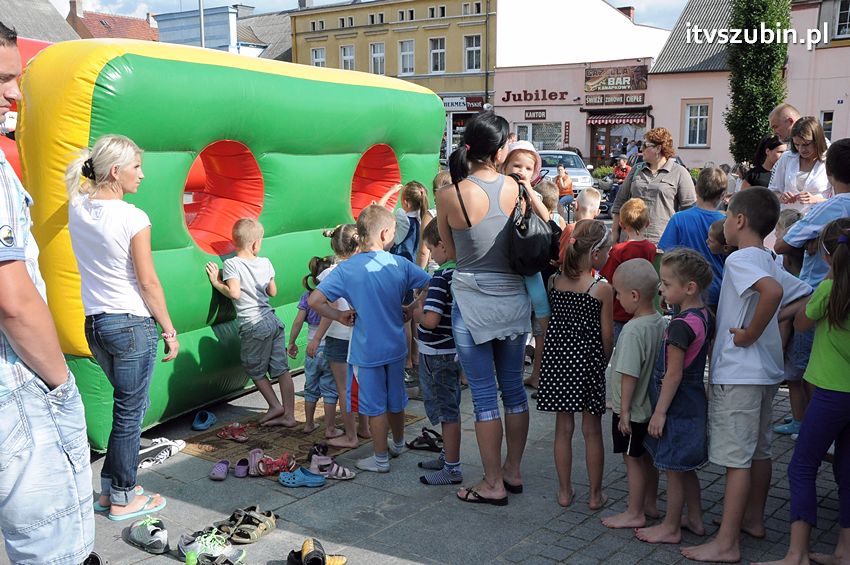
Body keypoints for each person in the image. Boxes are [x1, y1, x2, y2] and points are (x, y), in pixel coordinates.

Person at [0, 21, 95, 562]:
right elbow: (13, 298)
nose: (14, 93)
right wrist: (60, 381)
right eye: (2, 79)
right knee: (50, 538)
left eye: (17, 79)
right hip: (17, 384)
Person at [682, 187, 811, 563]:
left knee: (736, 459)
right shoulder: (768, 257)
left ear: (738, 221)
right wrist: (768, 326)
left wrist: (752, 331)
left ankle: (726, 543)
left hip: (739, 374)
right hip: (766, 372)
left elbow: (771, 293)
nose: (723, 222)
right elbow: (802, 297)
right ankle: (753, 520)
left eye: (726, 216)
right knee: (759, 451)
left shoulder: (741, 260)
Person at [435, 110, 548, 505]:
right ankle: (513, 472)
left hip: (471, 301)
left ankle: (492, 482)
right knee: (514, 390)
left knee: (484, 396)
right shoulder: (517, 189)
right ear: (500, 152)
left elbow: (449, 253)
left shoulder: (449, 194)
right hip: (513, 299)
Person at [65, 133, 176, 522]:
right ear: (115, 172)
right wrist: (168, 328)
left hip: (95, 324)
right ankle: (124, 497)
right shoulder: (133, 217)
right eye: (136, 167)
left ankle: (112, 487)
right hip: (131, 324)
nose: (142, 175)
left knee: (126, 409)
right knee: (131, 414)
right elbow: (147, 282)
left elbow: (79, 183)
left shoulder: (77, 208)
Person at [754, 218, 850, 565]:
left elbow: (802, 321)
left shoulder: (830, 290)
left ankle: (796, 554)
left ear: (828, 257)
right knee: (845, 469)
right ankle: (844, 551)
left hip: (829, 393)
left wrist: (829, 280)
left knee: (802, 467)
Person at [310, 205, 431, 473]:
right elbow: (429, 283)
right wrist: (411, 308)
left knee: (375, 405)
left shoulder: (346, 269)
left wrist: (339, 315)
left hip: (366, 349)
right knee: (396, 399)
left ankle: (380, 459)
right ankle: (398, 444)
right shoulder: (400, 263)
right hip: (396, 345)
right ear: (386, 233)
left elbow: (315, 300)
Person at [773, 138, 850, 437]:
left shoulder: (829, 208)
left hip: (821, 294)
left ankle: (813, 426)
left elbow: (781, 244)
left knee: (807, 367)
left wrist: (807, 240)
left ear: (830, 173)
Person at [637, 249, 714, 544]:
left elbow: (673, 374)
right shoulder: (703, 314)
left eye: (667, 284)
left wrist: (660, 412)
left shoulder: (681, 325)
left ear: (689, 287)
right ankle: (694, 518)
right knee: (685, 467)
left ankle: (670, 526)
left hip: (677, 402)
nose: (661, 289)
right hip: (692, 399)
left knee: (672, 468)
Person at [537, 220, 614, 509]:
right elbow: (607, 336)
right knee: (592, 431)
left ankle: (565, 491)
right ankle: (595, 495)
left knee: (563, 429)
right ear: (595, 255)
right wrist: (603, 363)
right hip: (588, 363)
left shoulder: (554, 282)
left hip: (558, 362)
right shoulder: (600, 289)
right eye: (607, 251)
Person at [206, 218, 297, 428]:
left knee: (254, 369)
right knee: (282, 370)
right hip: (273, 320)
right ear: (256, 244)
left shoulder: (231, 264)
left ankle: (275, 406)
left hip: (253, 325)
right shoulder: (265, 262)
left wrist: (216, 282)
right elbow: (272, 291)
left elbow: (234, 293)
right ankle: (289, 415)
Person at [601, 258, 665, 529]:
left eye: (618, 293)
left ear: (634, 296)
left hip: (633, 410)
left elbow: (629, 374)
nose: (616, 298)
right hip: (649, 408)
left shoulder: (631, 331)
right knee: (647, 458)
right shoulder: (659, 321)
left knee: (632, 461)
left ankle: (634, 512)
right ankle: (649, 503)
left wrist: (622, 411)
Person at [410, 220, 463, 486]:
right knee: (447, 408)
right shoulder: (459, 272)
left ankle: (452, 468)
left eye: (431, 249)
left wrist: (417, 313)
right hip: (451, 350)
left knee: (447, 412)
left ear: (442, 245)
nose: (431, 254)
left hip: (438, 353)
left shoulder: (441, 277)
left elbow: (430, 320)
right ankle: (447, 456)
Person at [310, 224, 368, 448]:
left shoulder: (329, 273)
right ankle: (364, 427)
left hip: (338, 337)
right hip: (360, 336)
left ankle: (351, 435)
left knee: (343, 388)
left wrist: (316, 338)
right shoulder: (363, 268)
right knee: (361, 383)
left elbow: (327, 309)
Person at [501, 141, 552, 395]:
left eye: (528, 167)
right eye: (516, 165)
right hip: (506, 267)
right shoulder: (498, 191)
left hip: (528, 266)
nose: (522, 171)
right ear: (504, 166)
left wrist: (529, 190)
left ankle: (537, 372)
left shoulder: (534, 194)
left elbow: (547, 218)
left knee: (542, 313)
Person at [658, 167, 728, 310]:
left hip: (684, 291)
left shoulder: (679, 219)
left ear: (696, 189)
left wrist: (664, 290)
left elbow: (668, 258)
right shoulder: (727, 222)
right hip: (718, 292)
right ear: (723, 195)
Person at [611, 127, 696, 244]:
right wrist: (614, 233)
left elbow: (690, 210)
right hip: (631, 241)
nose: (641, 148)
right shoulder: (636, 169)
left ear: (658, 148)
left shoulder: (680, 172)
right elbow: (619, 202)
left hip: (662, 243)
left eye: (646, 145)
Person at [287, 255, 340, 437]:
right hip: (329, 347)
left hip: (311, 348)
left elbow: (297, 322)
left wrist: (292, 342)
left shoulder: (307, 297)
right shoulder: (332, 296)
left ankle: (309, 424)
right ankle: (330, 428)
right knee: (330, 389)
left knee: (311, 387)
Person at [599, 198, 657, 342]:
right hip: (643, 309)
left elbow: (610, 283)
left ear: (621, 224)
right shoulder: (651, 248)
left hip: (620, 311)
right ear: (648, 224)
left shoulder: (618, 251)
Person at [769, 116, 832, 212]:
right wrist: (781, 196)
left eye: (806, 144)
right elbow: (773, 190)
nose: (802, 149)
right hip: (787, 221)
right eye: (797, 144)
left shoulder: (830, 160)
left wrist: (816, 200)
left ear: (817, 140)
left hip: (817, 222)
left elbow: (839, 199)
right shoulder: (787, 157)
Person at [558, 187, 602, 265]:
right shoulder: (600, 231)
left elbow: (561, 256)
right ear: (597, 212)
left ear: (576, 205)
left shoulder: (571, 229)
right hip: (590, 273)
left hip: (570, 273)